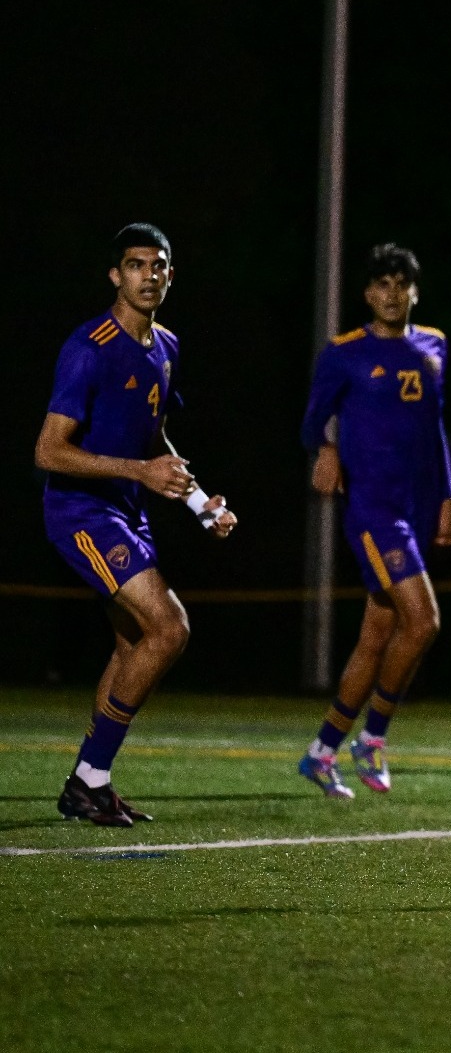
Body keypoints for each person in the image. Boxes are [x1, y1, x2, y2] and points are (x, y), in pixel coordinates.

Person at [35, 224, 239, 826]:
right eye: (135, 264)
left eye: (158, 265)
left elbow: (155, 437)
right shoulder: (89, 346)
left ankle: (89, 786)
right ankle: (89, 776)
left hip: (127, 511)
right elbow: (48, 450)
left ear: (171, 275)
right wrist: (139, 471)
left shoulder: (166, 347)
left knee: (134, 643)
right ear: (115, 276)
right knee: (169, 628)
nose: (148, 275)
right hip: (80, 513)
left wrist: (200, 502)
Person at [296, 244, 451, 798]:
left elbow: (436, 430)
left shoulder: (433, 346)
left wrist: (448, 498)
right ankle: (374, 739)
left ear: (415, 291)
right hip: (373, 508)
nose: (392, 293)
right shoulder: (343, 353)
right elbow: (311, 423)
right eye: (382, 284)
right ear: (368, 293)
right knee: (425, 622)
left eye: (401, 284)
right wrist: (324, 450)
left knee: (377, 637)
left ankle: (322, 752)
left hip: (417, 507)